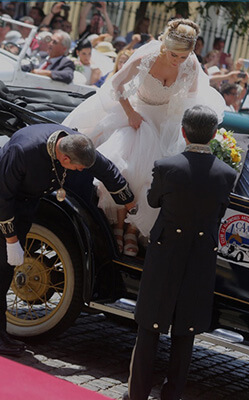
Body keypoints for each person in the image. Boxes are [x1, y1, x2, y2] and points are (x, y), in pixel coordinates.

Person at [0, 124, 135, 356]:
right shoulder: (24, 150)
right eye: (76, 168)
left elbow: (104, 168)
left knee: (7, 268)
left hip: (26, 199)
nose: (80, 171)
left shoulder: (77, 144)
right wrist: (11, 239)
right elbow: (1, 198)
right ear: (63, 157)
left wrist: (129, 201)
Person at [63, 18, 226, 256]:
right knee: (126, 168)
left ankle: (132, 229)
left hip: (166, 119)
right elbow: (116, 85)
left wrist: (178, 129)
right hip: (137, 114)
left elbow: (191, 101)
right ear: (165, 46)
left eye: (183, 56)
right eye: (174, 55)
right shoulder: (146, 57)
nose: (178, 61)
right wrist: (131, 114)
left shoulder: (190, 65)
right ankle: (117, 227)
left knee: (153, 177)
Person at [123, 105, 236, 400]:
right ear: (213, 136)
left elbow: (154, 200)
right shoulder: (227, 173)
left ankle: (137, 395)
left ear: (183, 133)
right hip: (200, 257)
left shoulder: (167, 166)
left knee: (150, 326)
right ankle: (171, 395)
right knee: (185, 332)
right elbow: (220, 210)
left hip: (166, 253)